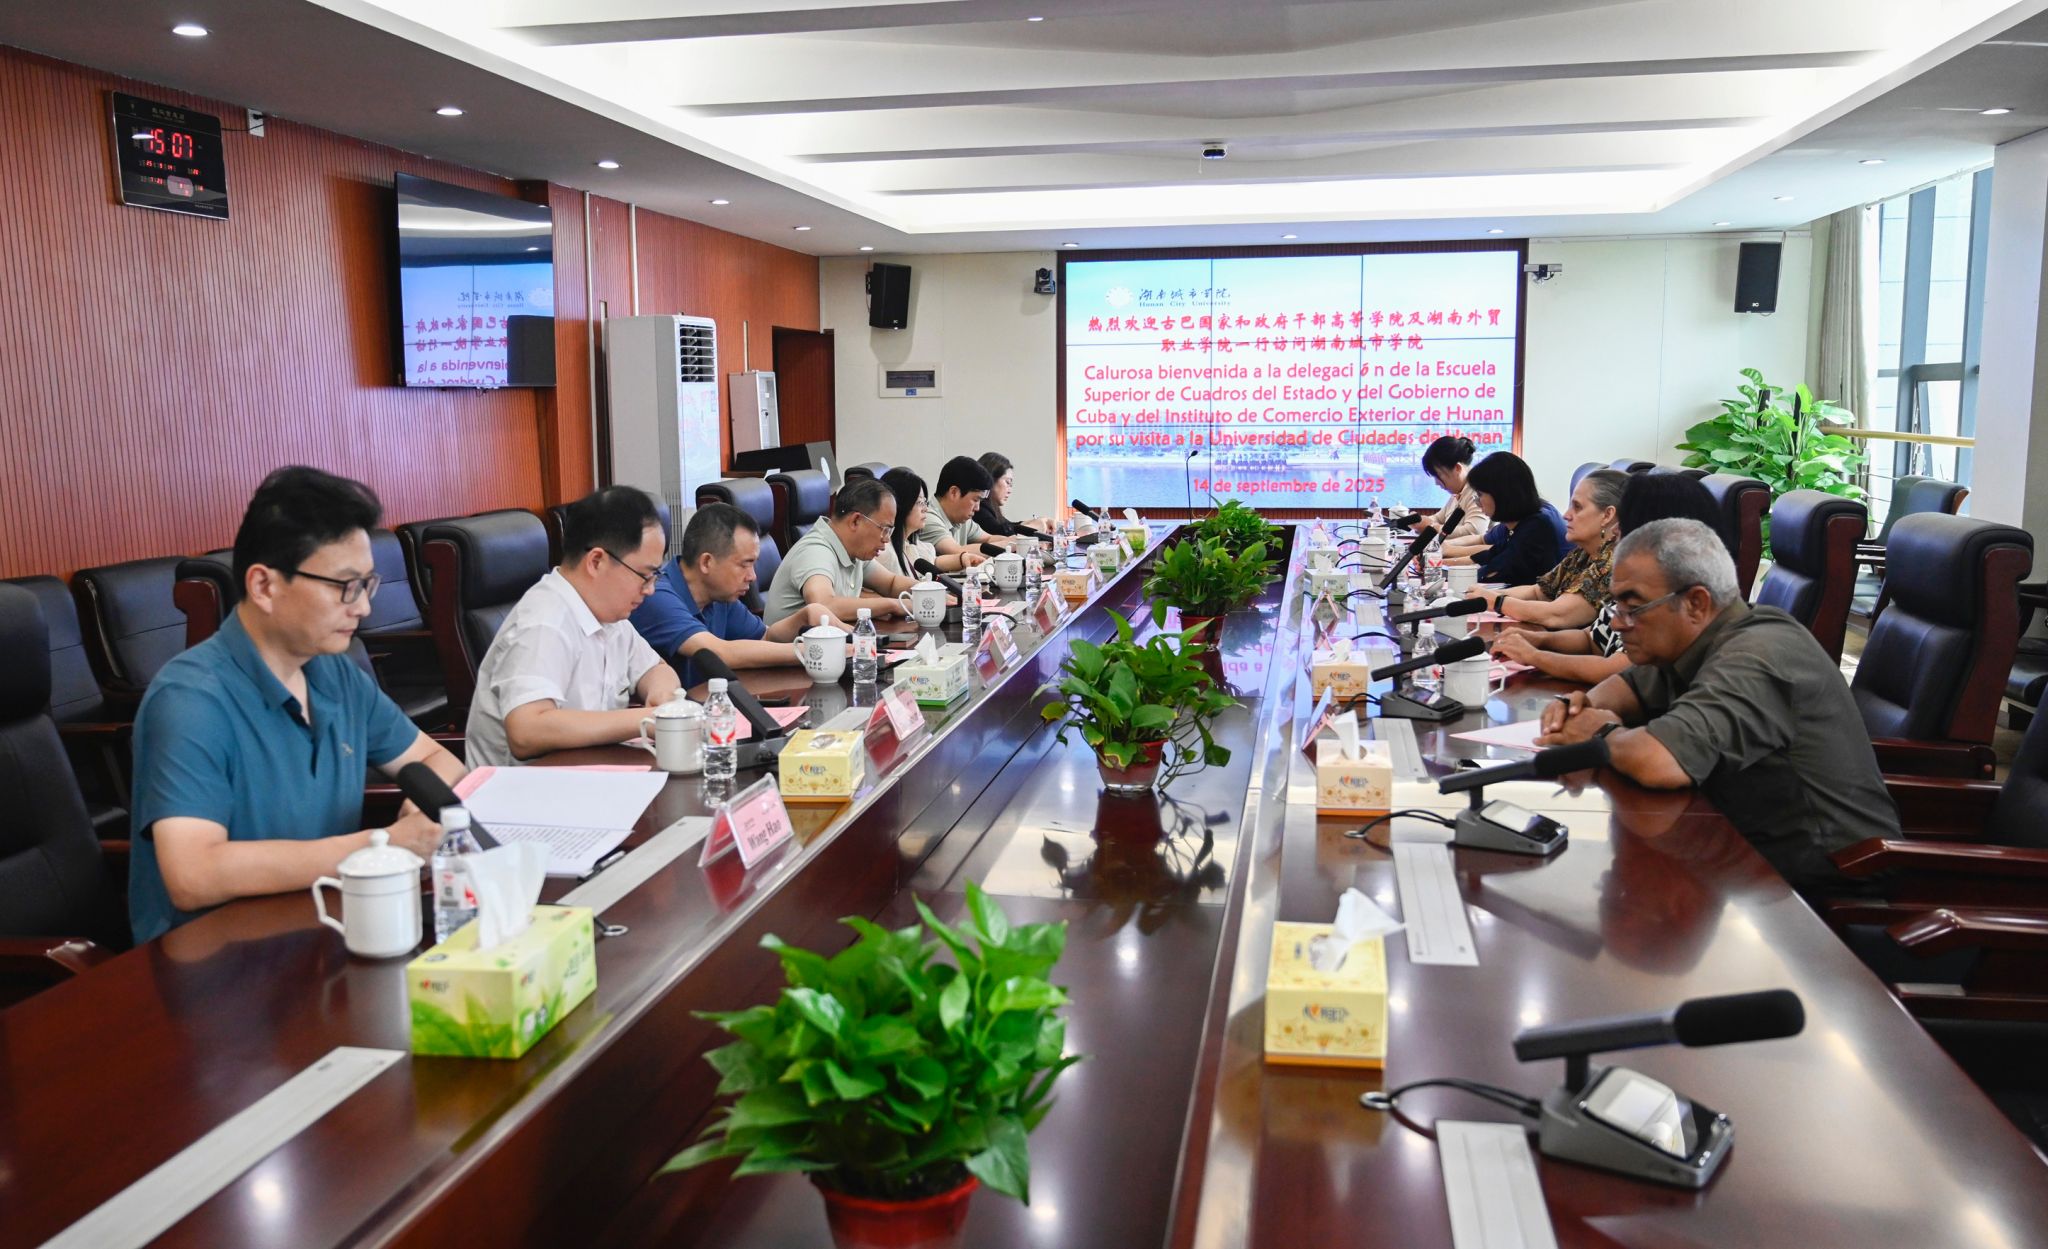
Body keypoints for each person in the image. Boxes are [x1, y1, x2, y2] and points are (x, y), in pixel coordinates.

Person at [127, 467, 466, 942]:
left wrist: (416, 815)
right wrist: (381, 844)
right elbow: (194, 875)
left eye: (367, 585)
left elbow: (436, 760)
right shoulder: (190, 701)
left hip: (324, 927)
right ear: (264, 586)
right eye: (344, 586)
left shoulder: (334, 674)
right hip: (214, 958)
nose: (363, 607)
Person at [1536, 518, 1899, 891]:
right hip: (1743, 852)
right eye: (1617, 606)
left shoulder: (1756, 654)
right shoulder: (1696, 639)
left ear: (1696, 603)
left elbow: (1659, 762)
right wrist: (1577, 705)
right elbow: (1626, 687)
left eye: (1633, 608)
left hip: (1832, 882)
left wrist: (1598, 731)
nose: (1616, 624)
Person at [465, 485, 681, 767]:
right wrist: (647, 719)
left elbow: (655, 669)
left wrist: (662, 696)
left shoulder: (608, 614)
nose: (650, 589)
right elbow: (526, 731)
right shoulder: (544, 622)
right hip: (526, 789)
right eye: (644, 575)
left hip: (590, 775)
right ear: (596, 561)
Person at [1492, 475, 1727, 684]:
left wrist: (1535, 656)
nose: (1615, 532)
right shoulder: (1641, 582)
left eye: (1625, 525)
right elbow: (1591, 638)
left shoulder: (1672, 602)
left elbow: (1617, 670)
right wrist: (1538, 640)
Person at [630, 502, 842, 688]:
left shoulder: (719, 596)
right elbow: (720, 653)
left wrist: (803, 617)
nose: (752, 576)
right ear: (706, 562)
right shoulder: (656, 596)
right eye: (744, 565)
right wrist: (819, 651)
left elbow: (765, 638)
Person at [1469, 468, 1624, 628]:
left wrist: (1496, 601)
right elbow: (1538, 592)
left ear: (1607, 515)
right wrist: (1479, 597)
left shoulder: (1612, 563)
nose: (1566, 515)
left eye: (1577, 507)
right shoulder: (1583, 553)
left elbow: (1557, 614)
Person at [762, 476, 915, 626]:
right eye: (885, 529)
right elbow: (824, 604)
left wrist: (925, 590)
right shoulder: (816, 551)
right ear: (855, 521)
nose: (887, 539)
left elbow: (891, 583)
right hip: (795, 642)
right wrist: (893, 605)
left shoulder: (853, 550)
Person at [1457, 451, 1566, 586]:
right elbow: (1490, 555)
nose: (1478, 502)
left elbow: (1496, 573)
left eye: (1480, 495)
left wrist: (1457, 575)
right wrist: (1446, 563)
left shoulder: (1536, 526)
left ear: (1501, 494)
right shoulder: (1517, 523)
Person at [875, 468, 988, 579]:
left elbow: (933, 561)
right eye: (919, 502)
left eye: (925, 502)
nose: (925, 509)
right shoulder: (884, 553)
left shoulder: (912, 545)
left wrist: (962, 559)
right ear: (900, 505)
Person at [916, 455, 1013, 556]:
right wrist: (1010, 545)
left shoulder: (961, 519)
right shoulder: (927, 518)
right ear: (954, 493)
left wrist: (1013, 541)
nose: (977, 508)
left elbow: (989, 539)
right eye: (975, 500)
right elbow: (957, 552)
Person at [1410, 436, 1490, 557]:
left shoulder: (1477, 491)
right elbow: (1438, 518)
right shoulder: (1459, 492)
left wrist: (1432, 527)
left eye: (1438, 475)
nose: (1436, 483)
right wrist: (1420, 522)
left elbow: (1474, 531)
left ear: (1457, 468)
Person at [973, 452, 1052, 537]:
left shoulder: (990, 507)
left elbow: (1008, 525)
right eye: (1007, 482)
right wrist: (1033, 526)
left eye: (1011, 485)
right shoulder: (978, 506)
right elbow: (999, 533)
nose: (1010, 490)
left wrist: (1035, 522)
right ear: (991, 479)